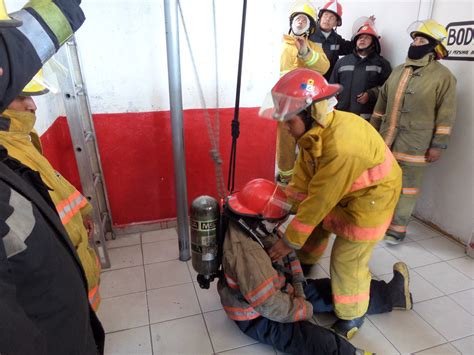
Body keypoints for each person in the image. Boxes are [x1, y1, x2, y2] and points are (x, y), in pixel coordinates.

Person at [259, 68, 402, 338]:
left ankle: (352, 316)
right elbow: (302, 185)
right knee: (312, 228)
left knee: (347, 260)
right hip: (344, 193)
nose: (286, 129)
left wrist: (287, 241)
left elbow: (320, 200)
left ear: (311, 113)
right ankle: (303, 266)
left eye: (289, 121)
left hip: (371, 200)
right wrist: (275, 208)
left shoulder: (343, 145)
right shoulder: (315, 134)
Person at [218, 178, 412, 354]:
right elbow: (270, 304)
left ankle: (392, 295)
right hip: (256, 316)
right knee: (312, 339)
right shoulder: (246, 253)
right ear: (260, 219)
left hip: (277, 290)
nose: (278, 226)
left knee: (338, 289)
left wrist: (299, 289)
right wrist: (304, 308)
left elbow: (286, 261)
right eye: (275, 222)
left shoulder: (249, 223)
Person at [0, 75, 102, 310]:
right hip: (54, 276)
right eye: (21, 97)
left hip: (71, 263)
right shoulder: (7, 153)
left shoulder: (22, 141)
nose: (32, 105)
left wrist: (82, 213)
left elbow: (56, 189)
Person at [0, 146, 104, 354]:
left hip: (69, 320)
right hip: (51, 331)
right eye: (25, 108)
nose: (34, 110)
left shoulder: (16, 154)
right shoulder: (14, 151)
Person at [370, 19, 457, 245]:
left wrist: (439, 144)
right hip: (385, 143)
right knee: (381, 184)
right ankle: (376, 222)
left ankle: (397, 229)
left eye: (422, 40)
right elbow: (381, 104)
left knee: (406, 189)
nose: (416, 42)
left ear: (432, 46)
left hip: (416, 146)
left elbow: (446, 115)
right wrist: (372, 132)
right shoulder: (398, 71)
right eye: (415, 38)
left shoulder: (444, 77)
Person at [277, 0, 330, 185]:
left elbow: (324, 67)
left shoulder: (315, 48)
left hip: (309, 109)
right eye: (298, 19)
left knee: (310, 146)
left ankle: (306, 183)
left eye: (304, 20)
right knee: (285, 146)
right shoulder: (279, 46)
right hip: (286, 107)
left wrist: (306, 52)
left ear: (310, 27)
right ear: (291, 22)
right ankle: (286, 182)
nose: (300, 22)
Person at [330, 20, 392, 119]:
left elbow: (388, 89)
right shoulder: (342, 62)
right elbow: (332, 87)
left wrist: (371, 94)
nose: (362, 40)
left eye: (367, 38)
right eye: (360, 38)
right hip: (341, 116)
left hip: (365, 118)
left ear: (374, 43)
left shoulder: (382, 64)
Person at [308, 0, 353, 80]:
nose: (327, 19)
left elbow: (352, 47)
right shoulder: (309, 35)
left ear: (336, 23)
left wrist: (364, 30)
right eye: (325, 15)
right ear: (320, 17)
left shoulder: (336, 39)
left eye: (332, 17)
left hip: (329, 83)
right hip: (310, 80)